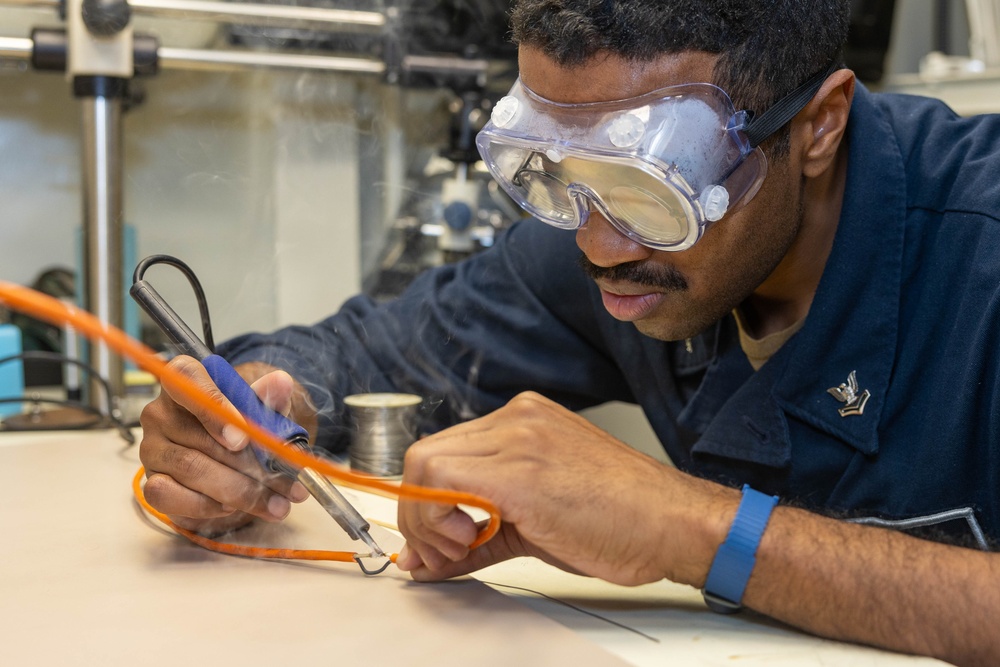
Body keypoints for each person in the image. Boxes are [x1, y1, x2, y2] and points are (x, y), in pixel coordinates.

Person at [138, 1, 1000, 664]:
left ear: (817, 126)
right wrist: (256, 410)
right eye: (553, 173)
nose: (597, 244)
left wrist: (693, 527)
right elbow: (376, 346)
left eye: (650, 187)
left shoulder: (981, 248)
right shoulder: (610, 244)